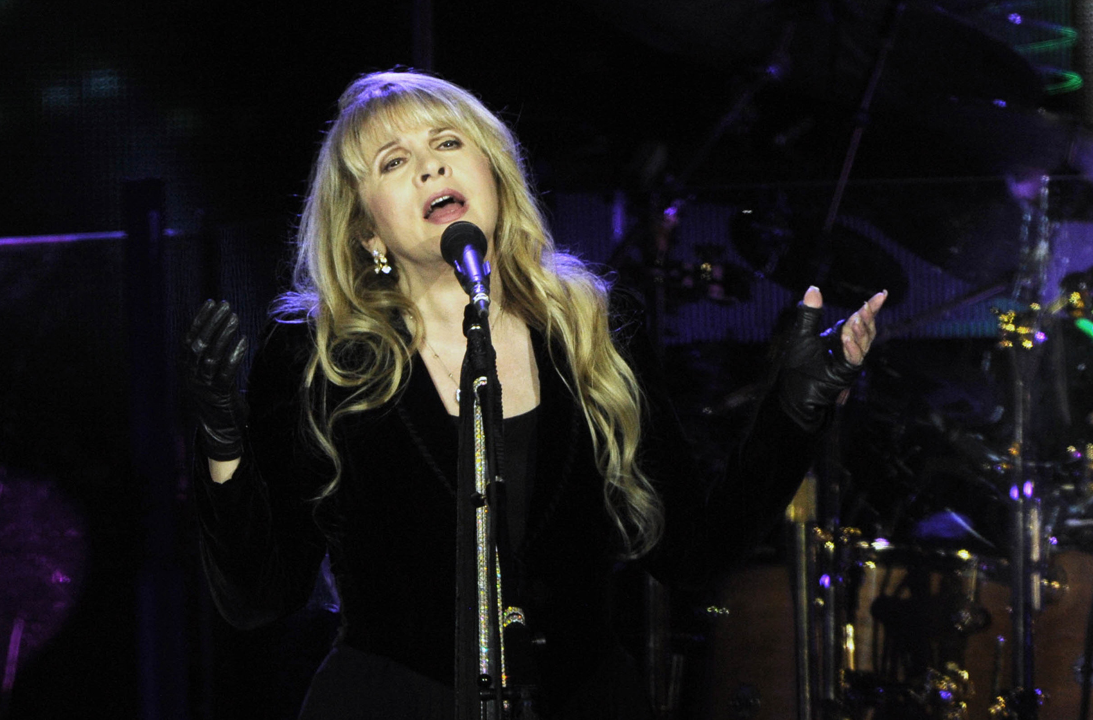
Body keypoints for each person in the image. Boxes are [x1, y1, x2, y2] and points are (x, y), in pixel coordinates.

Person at [183, 70, 886, 719]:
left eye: (448, 142)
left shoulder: (593, 328)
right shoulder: (324, 356)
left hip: (585, 699)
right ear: (368, 229)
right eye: (393, 162)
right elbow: (258, 599)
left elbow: (690, 557)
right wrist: (222, 445)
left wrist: (793, 411)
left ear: (494, 173)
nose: (430, 165)